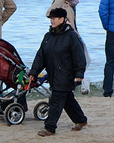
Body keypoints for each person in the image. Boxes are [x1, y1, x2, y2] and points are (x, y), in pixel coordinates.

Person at [28, 8, 88, 137]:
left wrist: (79, 75)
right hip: (53, 74)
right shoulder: (48, 36)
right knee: (67, 100)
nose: (52, 20)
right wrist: (34, 72)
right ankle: (81, 120)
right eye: (51, 18)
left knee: (56, 100)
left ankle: (50, 127)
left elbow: (79, 56)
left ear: (62, 19)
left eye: (54, 18)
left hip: (66, 75)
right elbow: (40, 56)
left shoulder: (71, 36)